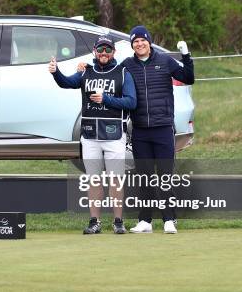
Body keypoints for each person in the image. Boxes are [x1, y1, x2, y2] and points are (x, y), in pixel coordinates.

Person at [49, 36, 136, 234]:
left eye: (107, 50)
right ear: (95, 51)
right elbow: (67, 83)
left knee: (115, 180)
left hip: (114, 134)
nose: (103, 53)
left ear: (113, 52)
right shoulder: (86, 71)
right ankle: (95, 221)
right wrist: (56, 72)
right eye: (100, 50)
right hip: (89, 135)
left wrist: (106, 99)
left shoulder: (123, 73)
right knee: (93, 180)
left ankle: (118, 221)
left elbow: (131, 102)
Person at [122, 25, 195, 234]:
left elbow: (188, 77)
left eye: (142, 40)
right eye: (135, 41)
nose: (139, 44)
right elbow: (111, 77)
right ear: (132, 45)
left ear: (149, 41)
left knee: (165, 175)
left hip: (163, 128)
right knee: (144, 176)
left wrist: (186, 55)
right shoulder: (128, 65)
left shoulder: (164, 61)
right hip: (140, 130)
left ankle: (169, 219)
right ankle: (145, 221)